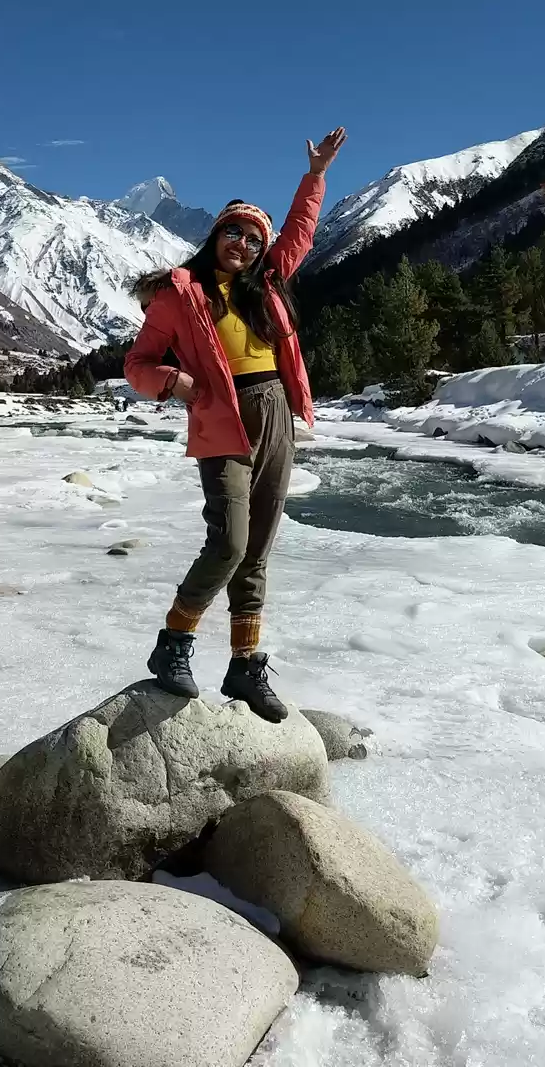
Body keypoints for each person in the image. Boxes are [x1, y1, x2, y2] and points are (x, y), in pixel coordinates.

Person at [125, 127, 347, 722]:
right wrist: (175, 383)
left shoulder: (267, 283)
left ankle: (245, 665)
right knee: (229, 539)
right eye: (233, 233)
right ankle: (173, 644)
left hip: (275, 408)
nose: (243, 245)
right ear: (215, 235)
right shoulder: (180, 292)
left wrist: (316, 174)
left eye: (253, 238)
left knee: (260, 547)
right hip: (220, 417)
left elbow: (299, 230)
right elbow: (137, 365)